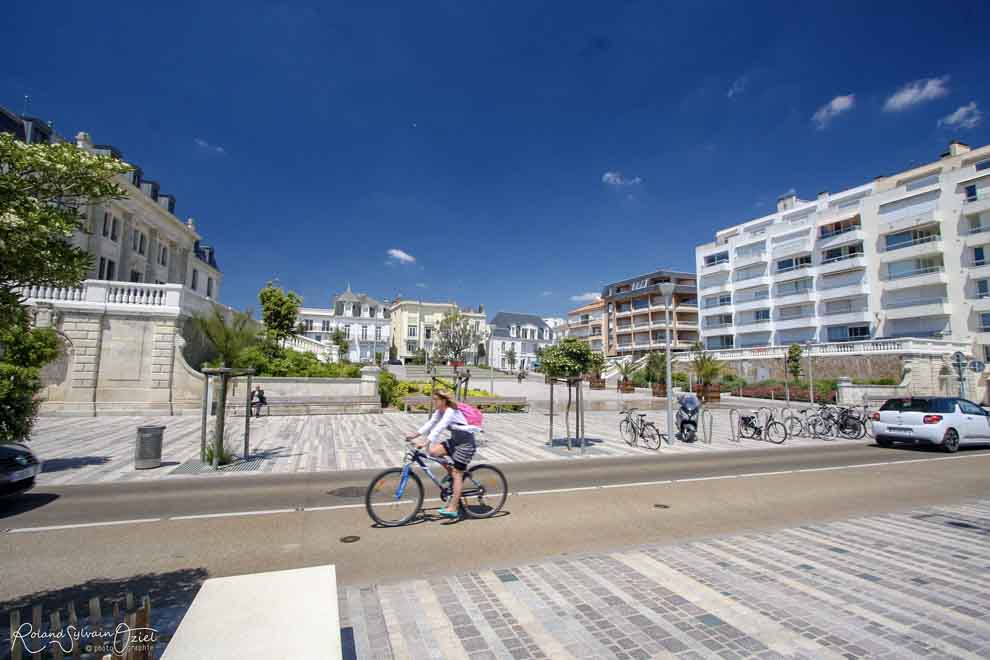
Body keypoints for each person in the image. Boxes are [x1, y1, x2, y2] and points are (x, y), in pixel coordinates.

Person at [405, 388, 478, 519]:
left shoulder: (450, 411)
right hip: (455, 441)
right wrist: (415, 435)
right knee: (433, 451)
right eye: (433, 399)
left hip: (465, 445)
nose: (434, 402)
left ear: (444, 400)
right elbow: (431, 423)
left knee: (457, 474)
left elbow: (439, 427)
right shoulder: (440, 411)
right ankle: (452, 474)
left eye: (436, 399)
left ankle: (454, 508)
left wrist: (425, 442)